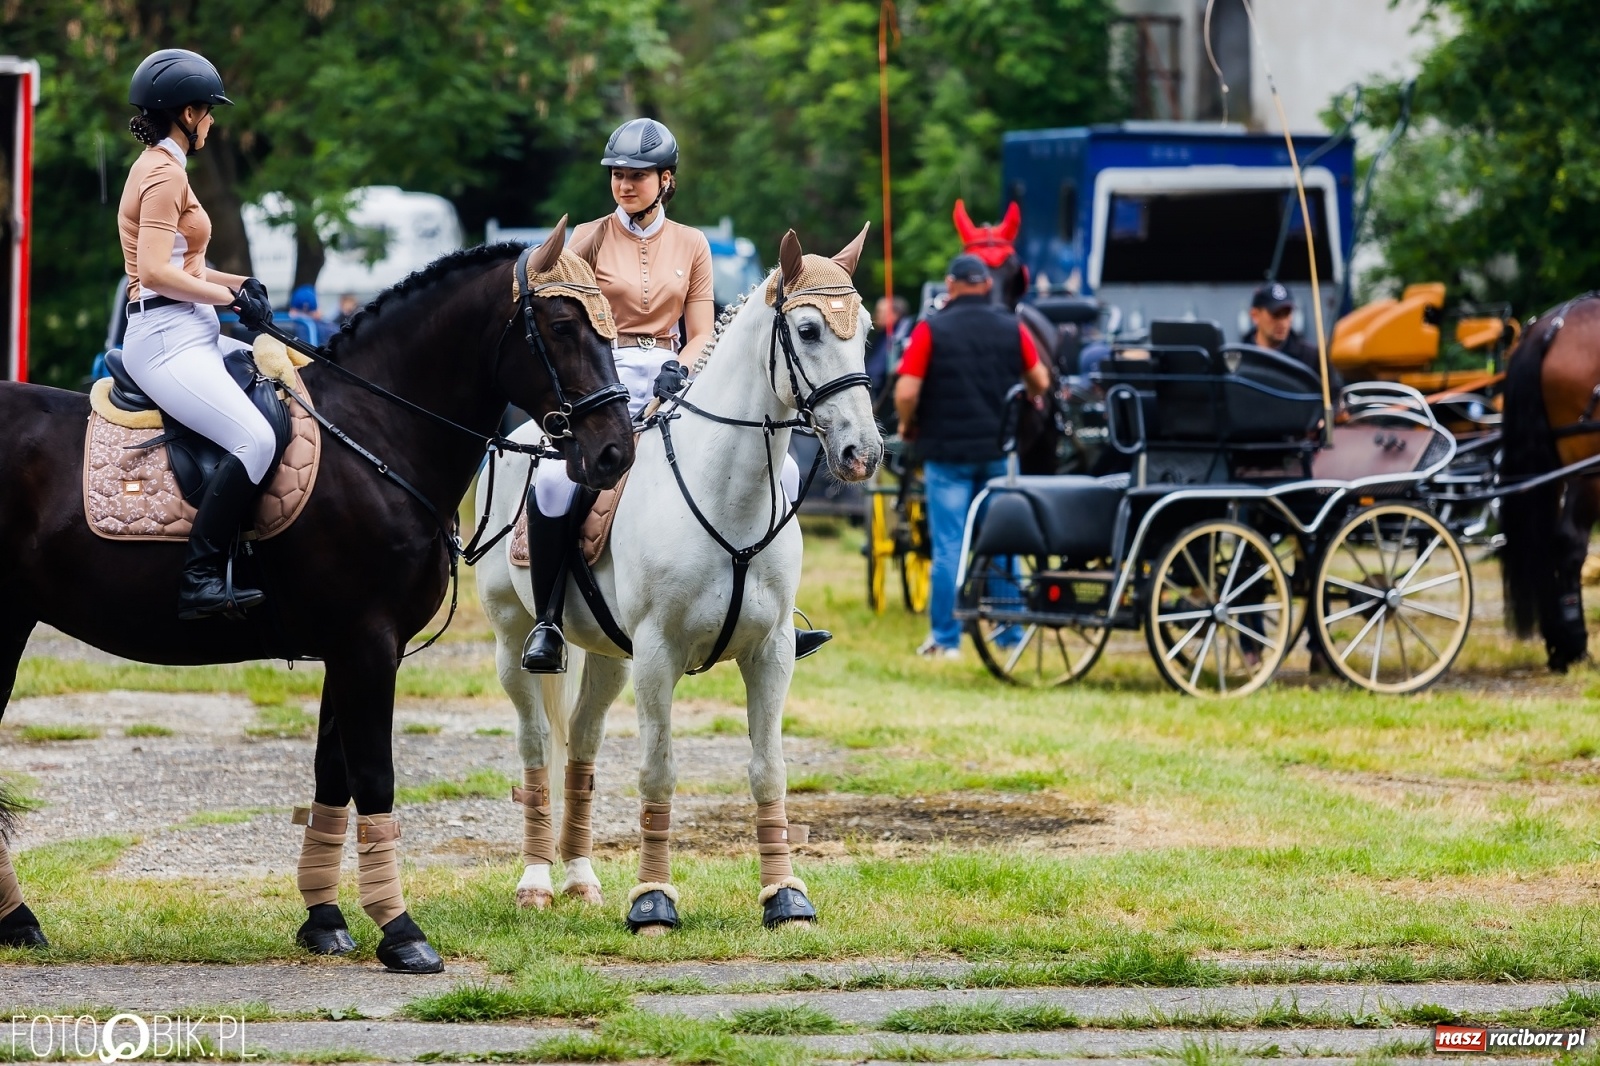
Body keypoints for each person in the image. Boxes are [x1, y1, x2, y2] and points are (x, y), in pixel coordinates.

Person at [520, 118, 820, 673]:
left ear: (665, 180)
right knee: (554, 481)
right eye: (616, 174)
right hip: (601, 374)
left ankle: (779, 610)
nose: (623, 184)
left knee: (785, 470)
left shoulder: (693, 243)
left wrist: (677, 368)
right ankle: (549, 621)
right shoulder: (587, 236)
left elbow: (701, 330)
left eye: (636, 175)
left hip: (674, 374)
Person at [117, 48, 278, 620]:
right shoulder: (163, 175)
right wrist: (230, 300)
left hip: (188, 327)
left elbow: (186, 267)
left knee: (288, 385)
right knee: (255, 440)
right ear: (187, 114)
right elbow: (155, 274)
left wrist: (241, 283)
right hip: (165, 337)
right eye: (208, 110)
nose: (211, 121)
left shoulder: (165, 167)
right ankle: (200, 576)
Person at [894, 254, 1051, 659]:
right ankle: (1009, 632)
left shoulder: (931, 329)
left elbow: (907, 391)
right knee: (1004, 541)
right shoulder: (1012, 326)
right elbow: (1040, 381)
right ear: (986, 284)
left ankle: (947, 639)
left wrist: (908, 425)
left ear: (951, 285)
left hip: (947, 454)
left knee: (950, 546)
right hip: (999, 452)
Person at [1243, 281, 1343, 394]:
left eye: (1287, 313)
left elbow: (1334, 398)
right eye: (1276, 314)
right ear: (1255, 315)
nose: (1283, 323)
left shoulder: (1311, 358)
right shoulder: (1239, 359)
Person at [865, 295, 909, 401]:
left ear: (895, 314)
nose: (876, 316)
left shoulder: (900, 334)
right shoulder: (882, 335)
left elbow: (877, 371)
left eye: (880, 312)